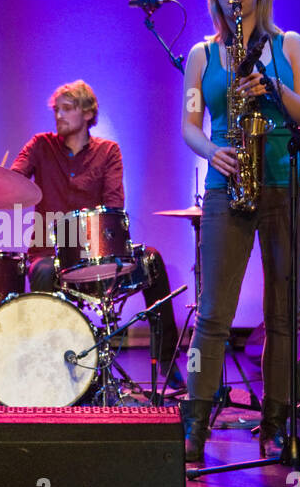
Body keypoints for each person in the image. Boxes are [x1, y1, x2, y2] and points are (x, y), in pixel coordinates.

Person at [179, 0, 300, 463]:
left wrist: (271, 82)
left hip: (287, 184)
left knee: (283, 315)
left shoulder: (290, 44)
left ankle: (278, 420)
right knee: (213, 313)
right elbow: (190, 123)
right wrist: (211, 150)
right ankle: (195, 422)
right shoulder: (202, 54)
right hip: (228, 186)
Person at [10, 80, 182, 388]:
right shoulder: (40, 145)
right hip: (50, 252)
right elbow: (12, 182)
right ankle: (48, 366)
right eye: (56, 110)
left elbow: (114, 204)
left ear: (89, 113)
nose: (58, 116)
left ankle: (167, 360)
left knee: (153, 260)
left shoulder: (108, 151)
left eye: (67, 109)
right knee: (44, 271)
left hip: (94, 252)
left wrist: (93, 241)